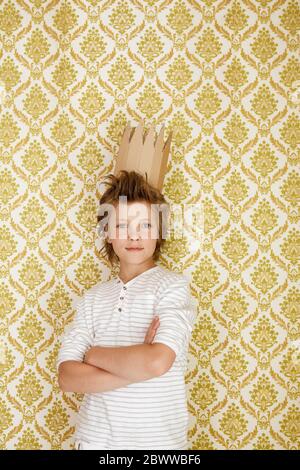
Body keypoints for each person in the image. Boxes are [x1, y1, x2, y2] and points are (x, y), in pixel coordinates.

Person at [57, 170, 197, 450]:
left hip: (159, 446)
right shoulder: (92, 299)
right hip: (96, 443)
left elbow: (157, 362)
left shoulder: (172, 287)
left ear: (159, 232)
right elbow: (68, 377)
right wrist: (137, 364)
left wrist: (94, 355)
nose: (134, 236)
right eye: (122, 225)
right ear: (107, 233)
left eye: (145, 225)